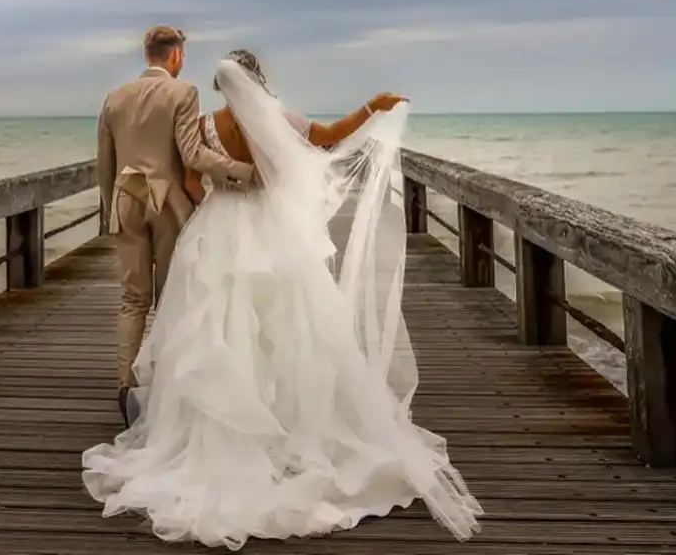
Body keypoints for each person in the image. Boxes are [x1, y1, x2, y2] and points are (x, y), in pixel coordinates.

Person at [82, 49, 482, 549]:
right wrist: (372, 107)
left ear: (222, 87)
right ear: (258, 80)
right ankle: (288, 426)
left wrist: (207, 215)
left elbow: (191, 181)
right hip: (272, 233)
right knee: (290, 329)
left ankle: (218, 432)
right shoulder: (279, 120)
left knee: (218, 331)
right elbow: (330, 137)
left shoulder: (205, 125)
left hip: (220, 226)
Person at [95, 26, 258, 429]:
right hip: (166, 203)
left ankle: (125, 383)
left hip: (125, 200)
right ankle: (166, 386)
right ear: (175, 57)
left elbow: (105, 160)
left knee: (133, 298)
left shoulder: (114, 97)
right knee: (170, 298)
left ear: (146, 54)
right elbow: (192, 153)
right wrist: (242, 170)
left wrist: (109, 208)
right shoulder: (182, 94)